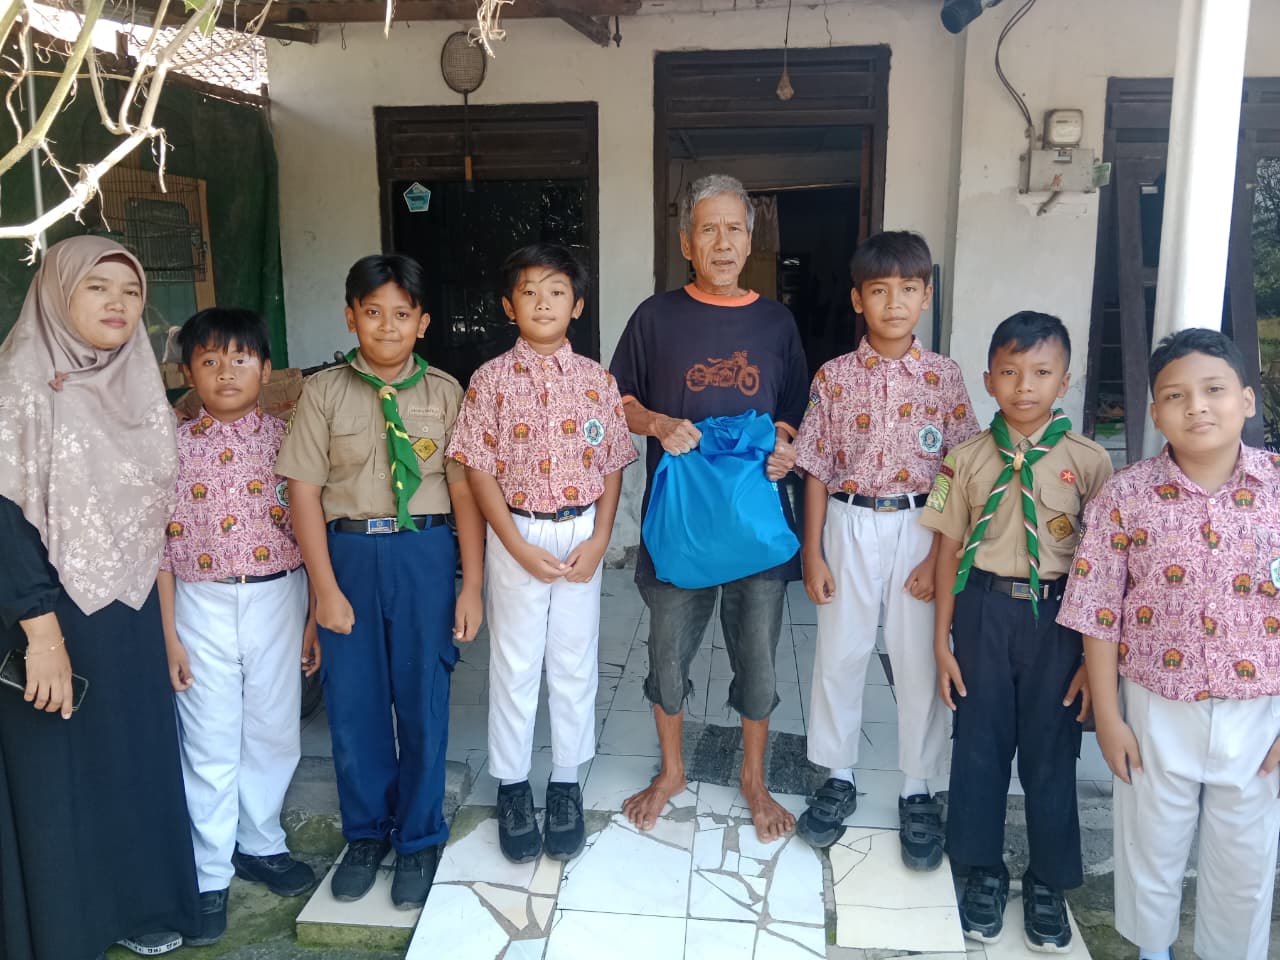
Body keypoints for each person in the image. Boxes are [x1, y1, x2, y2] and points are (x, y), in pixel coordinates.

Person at [0, 236, 199, 959]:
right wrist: (41, 634)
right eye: (97, 287)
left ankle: (142, 905)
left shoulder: (136, 382)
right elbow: (4, 518)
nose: (119, 303)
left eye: (132, 291)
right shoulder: (18, 385)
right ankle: (68, 928)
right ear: (58, 293)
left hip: (130, 605)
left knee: (134, 758)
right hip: (48, 614)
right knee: (62, 772)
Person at [1061, 328, 1280, 960]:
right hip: (1155, 704)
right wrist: (1109, 717)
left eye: (1214, 390)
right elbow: (1098, 610)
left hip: (1259, 712)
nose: (1197, 407)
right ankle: (1151, 950)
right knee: (1149, 844)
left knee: (1245, 859)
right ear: (1155, 412)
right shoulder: (1126, 495)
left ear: (1246, 398)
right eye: (1176, 395)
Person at [276, 253, 484, 910]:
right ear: (351, 317)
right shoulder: (323, 392)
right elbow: (303, 493)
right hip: (350, 556)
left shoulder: (446, 393)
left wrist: (471, 584)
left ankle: (419, 837)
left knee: (423, 698)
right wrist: (324, 590)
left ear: (423, 322)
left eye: (401, 313)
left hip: (425, 554)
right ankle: (366, 833)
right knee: (354, 703)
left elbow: (465, 493)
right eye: (372, 312)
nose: (386, 326)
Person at [610, 173, 809, 841]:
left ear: (750, 241)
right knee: (667, 654)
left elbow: (794, 406)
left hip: (755, 521)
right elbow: (619, 398)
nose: (722, 242)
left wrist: (785, 444)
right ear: (686, 243)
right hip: (681, 522)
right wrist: (659, 423)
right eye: (708, 229)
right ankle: (672, 772)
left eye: (734, 229)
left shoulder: (776, 322)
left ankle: (754, 778)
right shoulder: (655, 317)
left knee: (758, 657)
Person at [921, 312, 1111, 950]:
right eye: (1009, 371)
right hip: (982, 610)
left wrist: (1092, 662)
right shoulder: (965, 459)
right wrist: (942, 642)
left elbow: (1102, 569)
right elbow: (948, 553)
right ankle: (981, 869)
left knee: (1052, 749)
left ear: (1065, 380)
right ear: (988, 380)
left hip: (1058, 620)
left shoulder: (1090, 462)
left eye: (1040, 372)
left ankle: (1048, 879)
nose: (1023, 386)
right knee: (978, 744)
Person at [447, 243, 636, 863]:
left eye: (556, 291)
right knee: (516, 663)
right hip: (517, 536)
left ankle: (564, 784)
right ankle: (511, 785)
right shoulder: (490, 381)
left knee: (575, 662)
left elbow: (612, 464)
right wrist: (514, 546)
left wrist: (601, 538)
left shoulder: (598, 382)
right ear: (510, 306)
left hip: (579, 535)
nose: (543, 302)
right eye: (528, 292)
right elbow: (478, 470)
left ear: (576, 305)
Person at [793, 231, 977, 865]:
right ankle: (837, 775)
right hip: (847, 521)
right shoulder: (834, 377)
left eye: (907, 289)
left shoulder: (944, 377)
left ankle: (918, 786)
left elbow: (960, 470)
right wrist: (813, 552)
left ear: (926, 296)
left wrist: (937, 555)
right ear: (857, 299)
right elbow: (816, 466)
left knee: (917, 657)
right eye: (879, 290)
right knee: (840, 652)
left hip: (921, 526)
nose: (893, 303)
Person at [157, 308, 316, 945]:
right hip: (199, 601)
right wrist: (168, 634)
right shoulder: (169, 446)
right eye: (210, 361)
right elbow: (156, 550)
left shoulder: (291, 440)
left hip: (279, 594)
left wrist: (312, 617)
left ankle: (261, 842)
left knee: (274, 727)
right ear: (187, 372)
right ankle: (208, 872)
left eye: (240, 359)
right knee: (209, 735)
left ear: (266, 369)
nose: (226, 372)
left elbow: (313, 532)